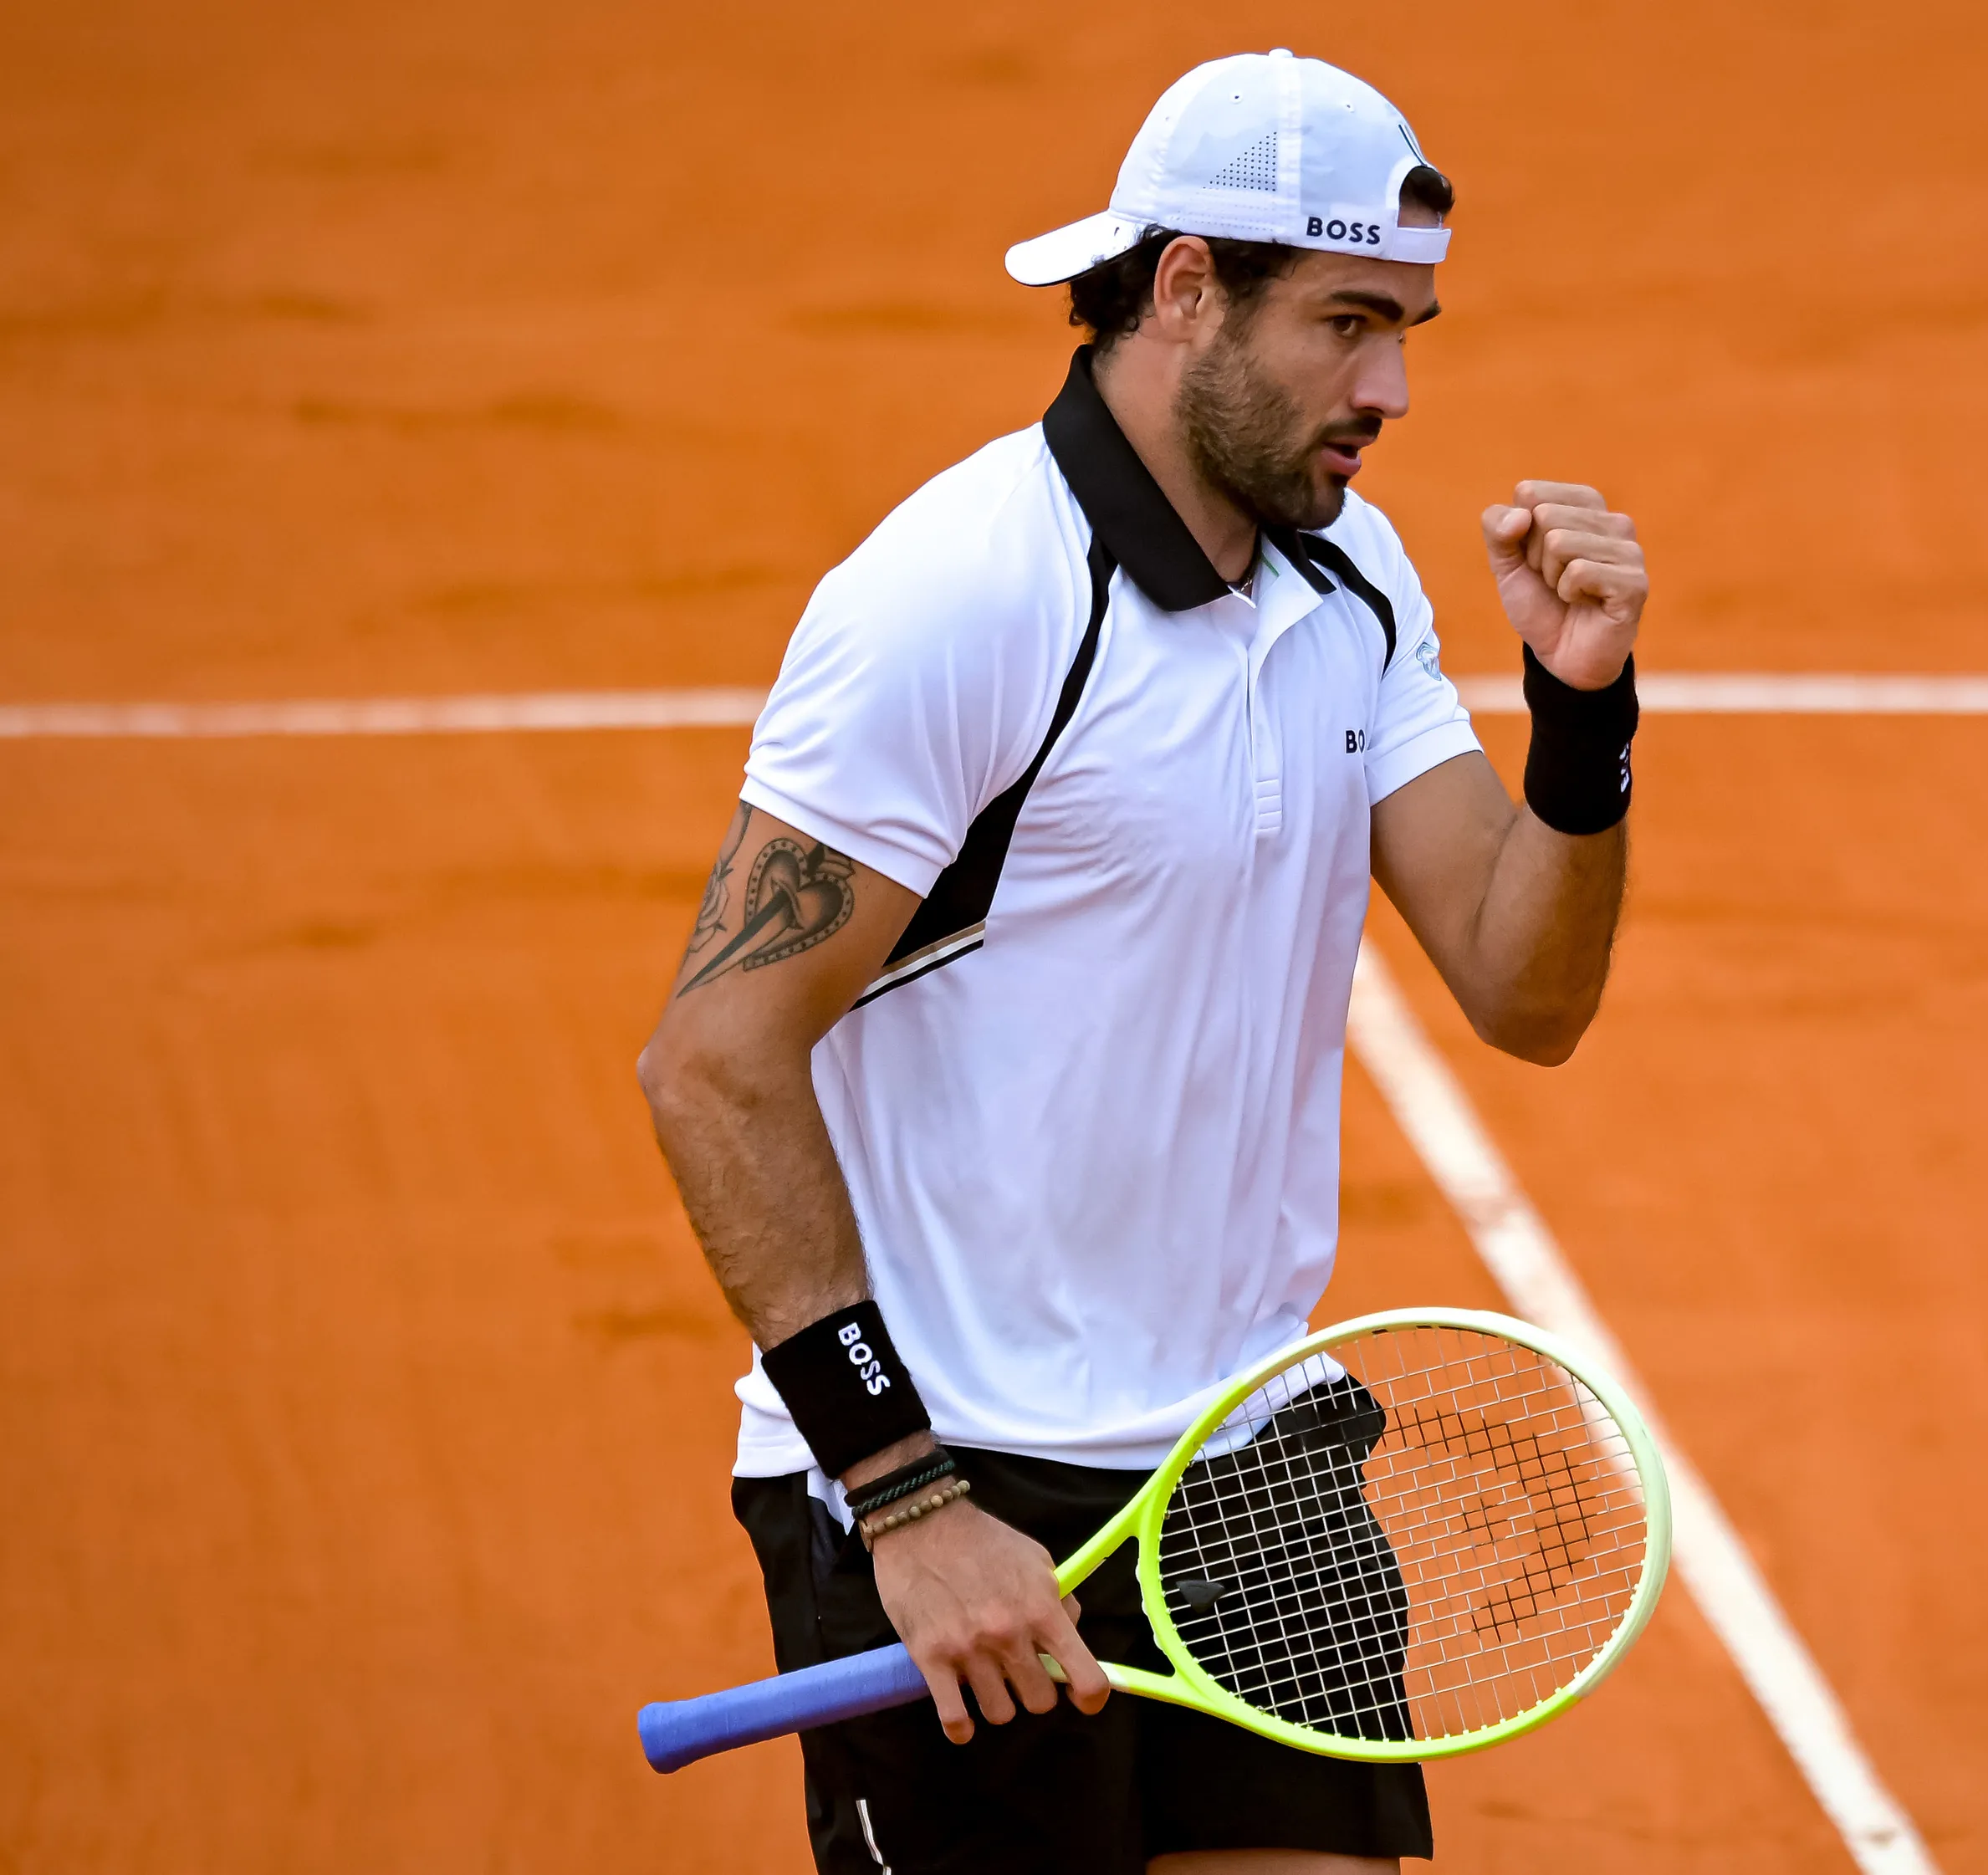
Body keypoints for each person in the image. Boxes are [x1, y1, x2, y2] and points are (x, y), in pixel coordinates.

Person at [637, 48, 1647, 1875]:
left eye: (1408, 326)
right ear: (1187, 286)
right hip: (952, 1466)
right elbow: (714, 1054)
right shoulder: (961, 594)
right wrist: (906, 1495)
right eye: (1348, 323)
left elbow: (1527, 986)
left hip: (1239, 1453)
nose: (1392, 388)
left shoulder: (1352, 584)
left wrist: (1579, 722)